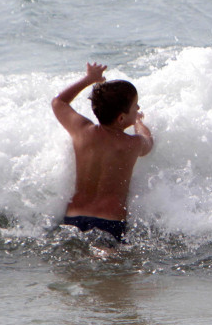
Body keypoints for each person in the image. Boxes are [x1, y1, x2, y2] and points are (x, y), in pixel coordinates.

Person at [52, 63, 154, 243]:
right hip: (110, 221)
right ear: (121, 118)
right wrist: (138, 122)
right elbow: (148, 141)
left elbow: (58, 102)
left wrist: (89, 79)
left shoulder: (82, 131)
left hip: (74, 217)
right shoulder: (132, 144)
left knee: (76, 262)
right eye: (135, 106)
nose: (137, 109)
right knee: (107, 261)